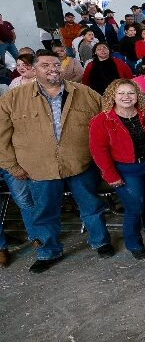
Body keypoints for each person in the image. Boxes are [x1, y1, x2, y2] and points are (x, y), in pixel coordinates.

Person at [0, 51, 111, 273]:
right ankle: (48, 252)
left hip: (80, 163)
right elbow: (1, 135)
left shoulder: (84, 93)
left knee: (91, 206)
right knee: (43, 212)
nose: (52, 68)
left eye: (56, 64)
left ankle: (101, 242)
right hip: (38, 167)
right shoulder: (13, 98)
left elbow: (106, 120)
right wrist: (12, 166)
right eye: (44, 65)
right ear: (33, 69)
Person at [88, 79, 145, 260]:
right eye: (121, 93)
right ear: (112, 96)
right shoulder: (102, 120)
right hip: (125, 170)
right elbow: (98, 151)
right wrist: (110, 176)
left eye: (130, 93)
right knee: (134, 208)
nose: (126, 97)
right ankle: (134, 244)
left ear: (137, 95)